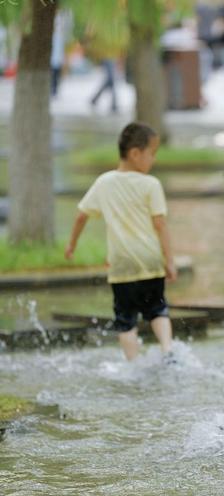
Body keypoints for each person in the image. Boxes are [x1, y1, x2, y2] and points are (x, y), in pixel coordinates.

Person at [65, 123, 176, 361]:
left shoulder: (104, 182)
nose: (153, 160)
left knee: (125, 319)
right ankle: (167, 349)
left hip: (121, 263)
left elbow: (81, 215)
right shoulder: (151, 184)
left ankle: (133, 365)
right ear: (135, 153)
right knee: (157, 309)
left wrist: (71, 245)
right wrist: (170, 260)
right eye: (151, 153)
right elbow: (160, 224)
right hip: (150, 258)